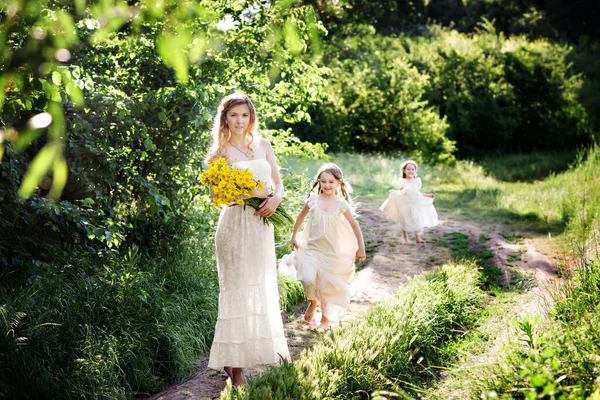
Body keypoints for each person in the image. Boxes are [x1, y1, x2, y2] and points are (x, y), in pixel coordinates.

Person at [206, 92, 290, 386]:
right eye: (233, 115)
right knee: (236, 291)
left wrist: (275, 200)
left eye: (244, 115)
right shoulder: (220, 154)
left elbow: (278, 184)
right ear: (225, 119)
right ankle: (236, 368)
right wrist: (250, 194)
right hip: (234, 225)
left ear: (251, 117)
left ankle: (247, 355)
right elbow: (217, 196)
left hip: (260, 226)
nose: (240, 121)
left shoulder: (263, 145)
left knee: (257, 288)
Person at [290, 163, 366, 332]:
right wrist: (294, 236)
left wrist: (361, 247)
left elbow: (355, 226)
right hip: (312, 250)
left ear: (339, 183)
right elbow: (300, 217)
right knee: (308, 278)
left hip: (332, 252)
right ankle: (312, 302)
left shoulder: (341, 205)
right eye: (323, 181)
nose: (327, 185)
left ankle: (324, 320)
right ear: (319, 183)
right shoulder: (313, 200)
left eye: (331, 182)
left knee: (326, 287)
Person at [380, 159, 438, 244]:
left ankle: (418, 238)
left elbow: (417, 193)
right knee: (405, 219)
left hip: (415, 203)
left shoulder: (417, 181)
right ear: (404, 171)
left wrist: (427, 195)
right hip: (405, 203)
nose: (410, 171)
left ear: (415, 171)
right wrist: (394, 193)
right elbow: (400, 192)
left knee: (416, 219)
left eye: (412, 169)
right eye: (408, 169)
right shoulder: (403, 181)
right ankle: (405, 238)